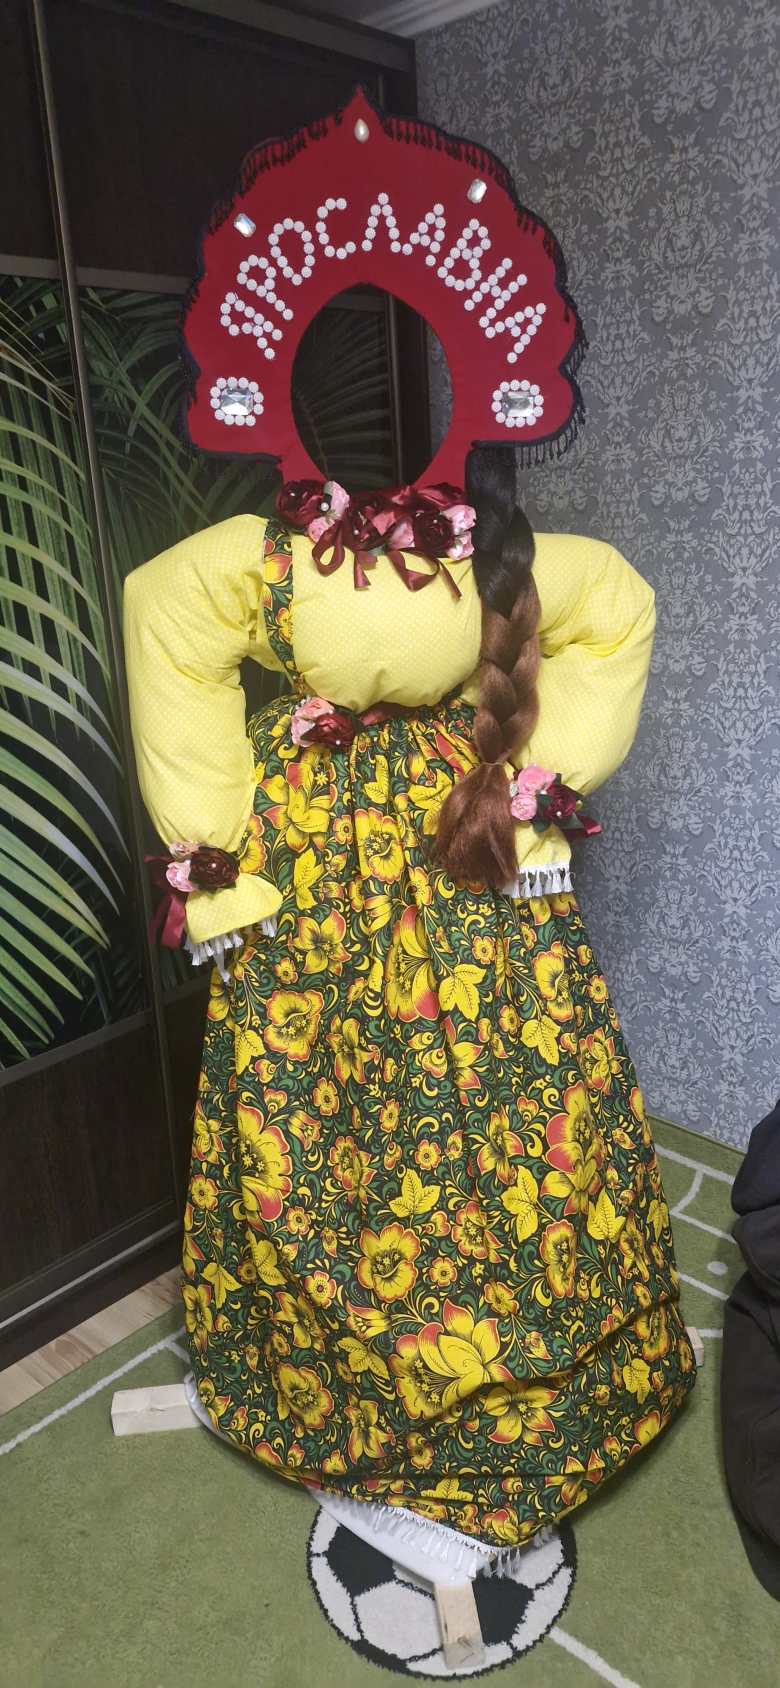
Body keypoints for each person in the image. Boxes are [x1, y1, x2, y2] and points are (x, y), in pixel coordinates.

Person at [123, 90, 695, 1564]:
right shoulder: (266, 555)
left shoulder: (494, 552)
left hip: (460, 834)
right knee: (321, 1089)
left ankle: (522, 1372)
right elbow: (165, 619)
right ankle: (330, 1373)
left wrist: (536, 788)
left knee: (505, 1086)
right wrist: (214, 853)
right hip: (315, 847)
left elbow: (616, 607)